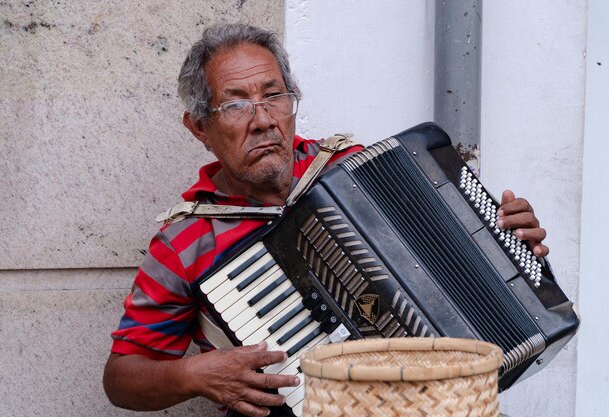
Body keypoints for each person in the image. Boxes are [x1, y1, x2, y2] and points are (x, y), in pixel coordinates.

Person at [103, 23, 549, 417]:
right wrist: (194, 375)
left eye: (273, 96)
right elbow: (122, 378)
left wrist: (508, 248)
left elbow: (455, 261)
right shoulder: (186, 241)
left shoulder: (357, 171)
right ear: (200, 127)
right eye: (235, 105)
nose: (263, 121)